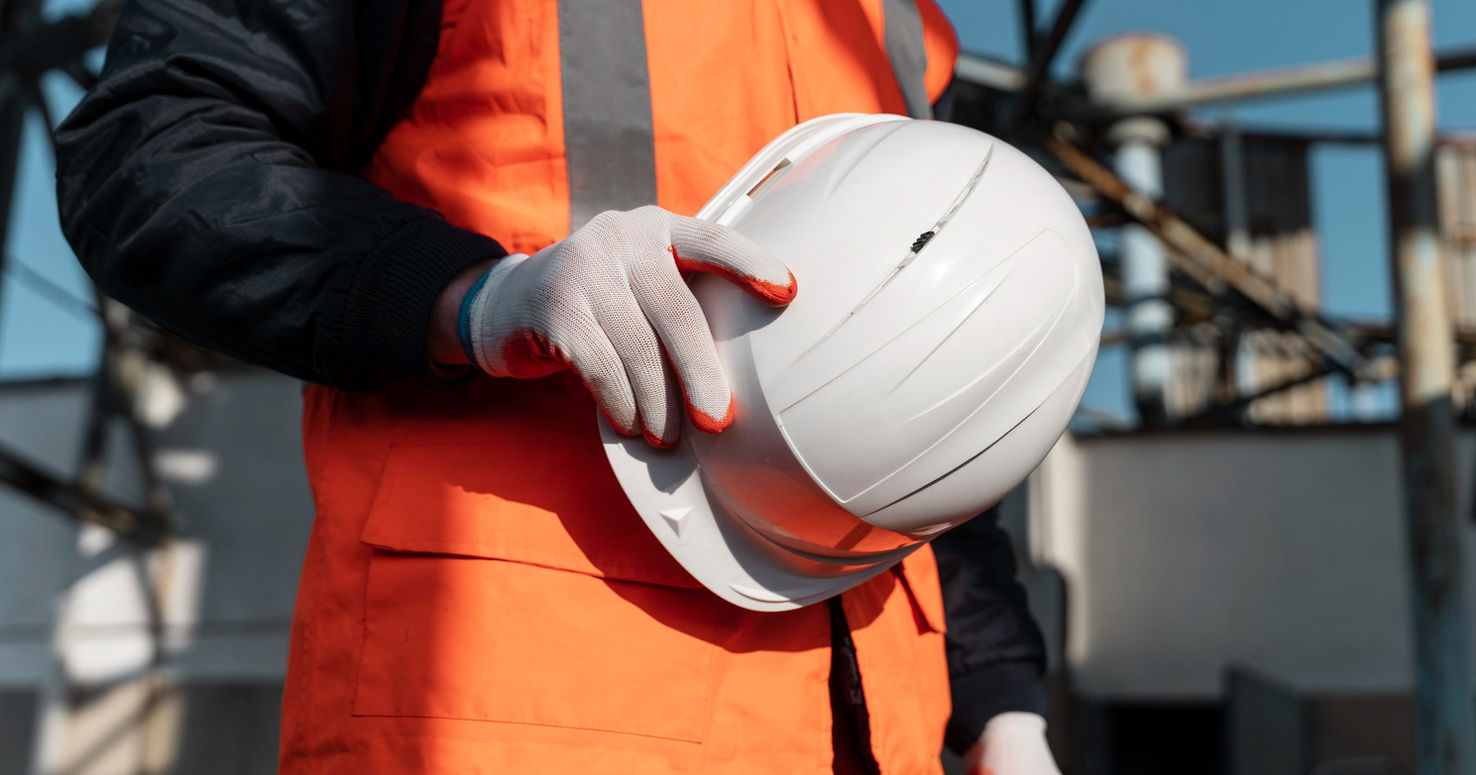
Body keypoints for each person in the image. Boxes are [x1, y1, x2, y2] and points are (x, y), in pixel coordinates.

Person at [55, 1, 1059, 773]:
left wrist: (1000, 698)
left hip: (875, 720)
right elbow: (154, 150)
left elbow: (918, 390)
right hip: (516, 704)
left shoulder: (891, 18)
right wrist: (471, 296)